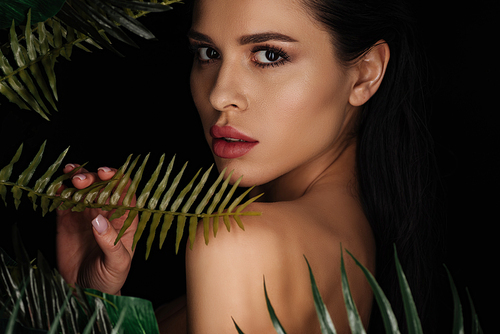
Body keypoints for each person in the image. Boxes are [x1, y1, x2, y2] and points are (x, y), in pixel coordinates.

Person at [56, 0, 443, 332]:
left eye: (269, 55)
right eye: (207, 53)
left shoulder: (239, 242)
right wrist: (91, 301)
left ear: (365, 72)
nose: (220, 93)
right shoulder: (354, 236)